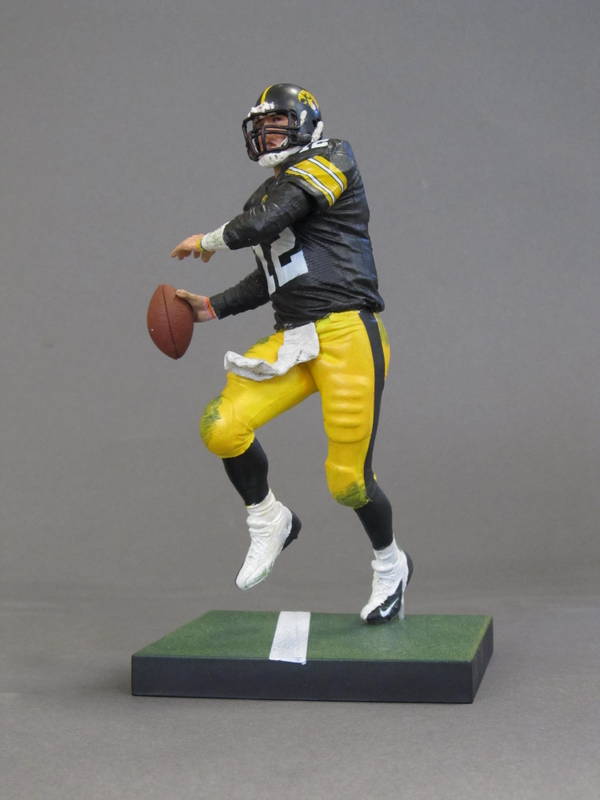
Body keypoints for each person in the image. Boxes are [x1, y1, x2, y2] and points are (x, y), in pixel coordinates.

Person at [171, 83, 413, 623]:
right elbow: (275, 273)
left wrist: (208, 240)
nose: (268, 136)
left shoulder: (332, 158)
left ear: (306, 124)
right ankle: (269, 519)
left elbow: (264, 223)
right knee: (222, 425)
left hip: (349, 335)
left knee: (348, 482)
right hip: (295, 338)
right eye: (261, 128)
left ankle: (391, 565)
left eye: (278, 125)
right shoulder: (268, 193)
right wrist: (212, 306)